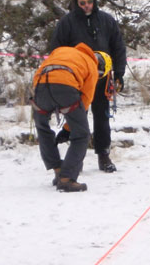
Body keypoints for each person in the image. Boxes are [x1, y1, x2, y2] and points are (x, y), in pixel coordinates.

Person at [49, 0, 126, 173]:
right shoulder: (67, 23)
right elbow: (57, 49)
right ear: (76, 2)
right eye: (82, 2)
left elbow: (118, 47)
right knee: (77, 117)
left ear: (95, 1)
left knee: (102, 116)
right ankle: (77, 158)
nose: (86, 6)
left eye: (89, 1)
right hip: (77, 79)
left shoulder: (107, 21)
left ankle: (103, 155)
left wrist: (120, 73)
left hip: (101, 78)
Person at [31, 43, 112, 192]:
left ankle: (58, 169)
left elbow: (43, 68)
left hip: (41, 84)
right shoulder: (91, 65)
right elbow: (85, 101)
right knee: (81, 134)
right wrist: (68, 129)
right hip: (66, 85)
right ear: (101, 67)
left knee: (42, 128)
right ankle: (67, 179)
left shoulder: (62, 50)